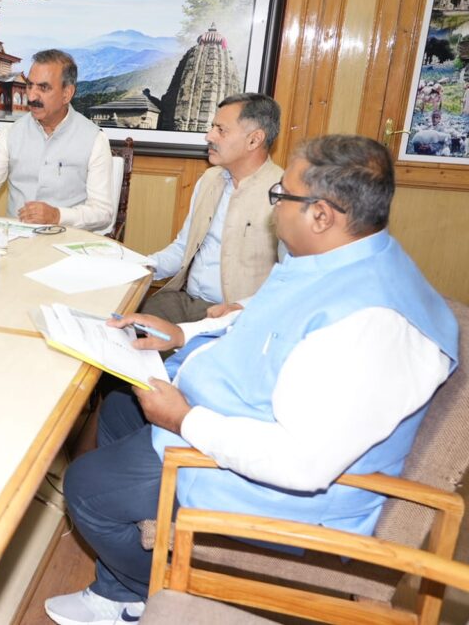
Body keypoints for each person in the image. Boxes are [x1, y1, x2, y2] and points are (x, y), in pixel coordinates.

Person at [45, 135, 458, 625]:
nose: (273, 206)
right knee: (120, 403)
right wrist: (181, 333)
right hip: (235, 415)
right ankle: (121, 585)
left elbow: (301, 464)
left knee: (85, 487)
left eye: (281, 195)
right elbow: (266, 317)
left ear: (321, 215)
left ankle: (144, 591)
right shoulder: (345, 257)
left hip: (276, 488)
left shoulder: (372, 326)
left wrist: (184, 420)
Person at [142, 93, 283, 324]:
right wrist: (140, 267)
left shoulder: (282, 194)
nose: (209, 136)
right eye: (212, 127)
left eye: (221, 130)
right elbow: (183, 248)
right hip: (186, 300)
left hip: (238, 316)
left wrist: (242, 307)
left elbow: (291, 279)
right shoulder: (209, 179)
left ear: (254, 140)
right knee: (126, 322)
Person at [0, 49, 113, 231]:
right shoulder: (10, 134)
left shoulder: (94, 139)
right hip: (16, 239)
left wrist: (58, 216)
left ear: (67, 93)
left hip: (67, 240)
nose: (32, 96)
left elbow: (103, 213)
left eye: (43, 88)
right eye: (29, 86)